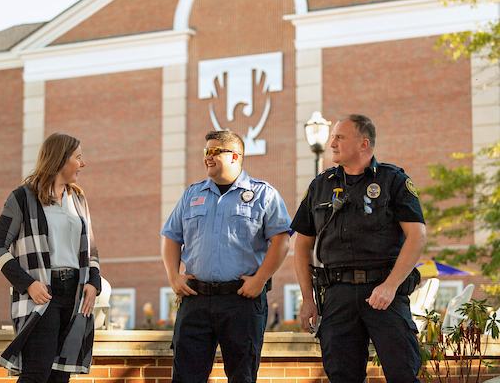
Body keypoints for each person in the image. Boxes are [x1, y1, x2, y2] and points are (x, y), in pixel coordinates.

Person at [291, 114, 427, 383]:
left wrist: (390, 286)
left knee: (403, 373)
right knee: (342, 376)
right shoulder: (320, 186)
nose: (332, 143)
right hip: (336, 296)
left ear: (363, 144)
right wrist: (308, 299)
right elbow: (302, 245)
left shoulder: (393, 181)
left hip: (383, 295)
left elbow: (417, 236)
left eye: (340, 137)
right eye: (332, 137)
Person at [161, 130, 292, 383]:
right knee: (186, 377)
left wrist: (260, 279)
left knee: (242, 376)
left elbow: (282, 240)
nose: (207, 157)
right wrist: (173, 277)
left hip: (241, 301)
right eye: (205, 152)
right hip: (195, 301)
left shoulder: (263, 194)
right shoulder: (191, 194)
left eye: (214, 151)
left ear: (234, 156)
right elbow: (171, 237)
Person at [0, 133, 101, 383]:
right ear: (60, 160)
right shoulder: (22, 198)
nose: (83, 164)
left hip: (75, 296)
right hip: (42, 295)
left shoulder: (78, 199)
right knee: (36, 374)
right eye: (78, 157)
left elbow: (91, 250)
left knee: (60, 376)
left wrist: (94, 282)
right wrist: (27, 283)